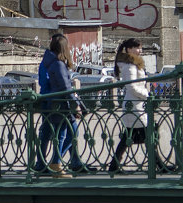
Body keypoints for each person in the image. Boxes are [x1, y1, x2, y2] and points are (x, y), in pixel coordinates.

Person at [108, 38, 174, 174]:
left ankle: (114, 166)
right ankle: (160, 166)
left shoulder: (131, 63)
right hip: (134, 105)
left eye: (140, 48)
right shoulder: (130, 65)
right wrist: (147, 95)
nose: (140, 50)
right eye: (137, 48)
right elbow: (132, 86)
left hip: (135, 104)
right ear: (129, 49)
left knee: (130, 136)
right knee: (145, 135)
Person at [38, 35, 95, 176]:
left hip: (53, 101)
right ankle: (54, 163)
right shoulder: (56, 63)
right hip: (57, 103)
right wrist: (74, 103)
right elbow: (63, 86)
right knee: (66, 132)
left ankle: (64, 162)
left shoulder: (49, 61)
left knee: (61, 132)